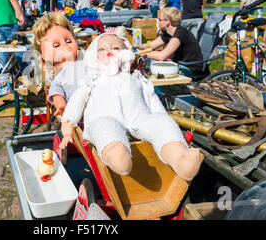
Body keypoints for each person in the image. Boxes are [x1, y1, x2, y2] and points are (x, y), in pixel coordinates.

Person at [59, 33, 201, 180]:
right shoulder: (92, 81)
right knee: (104, 126)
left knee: (163, 123)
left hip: (139, 119)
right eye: (101, 49)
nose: (109, 51)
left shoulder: (138, 79)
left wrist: (161, 118)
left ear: (126, 51)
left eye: (116, 47)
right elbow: (75, 104)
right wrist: (67, 129)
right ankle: (116, 154)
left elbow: (153, 101)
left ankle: (180, 159)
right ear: (93, 56)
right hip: (105, 118)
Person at [136, 7, 204, 78]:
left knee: (154, 73)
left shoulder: (180, 33)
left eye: (160, 20)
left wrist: (140, 53)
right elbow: (150, 46)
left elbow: (161, 56)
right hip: (179, 65)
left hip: (191, 70)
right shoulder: (168, 33)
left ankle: (159, 88)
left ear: (167, 21)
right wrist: (135, 47)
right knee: (149, 66)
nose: (158, 22)